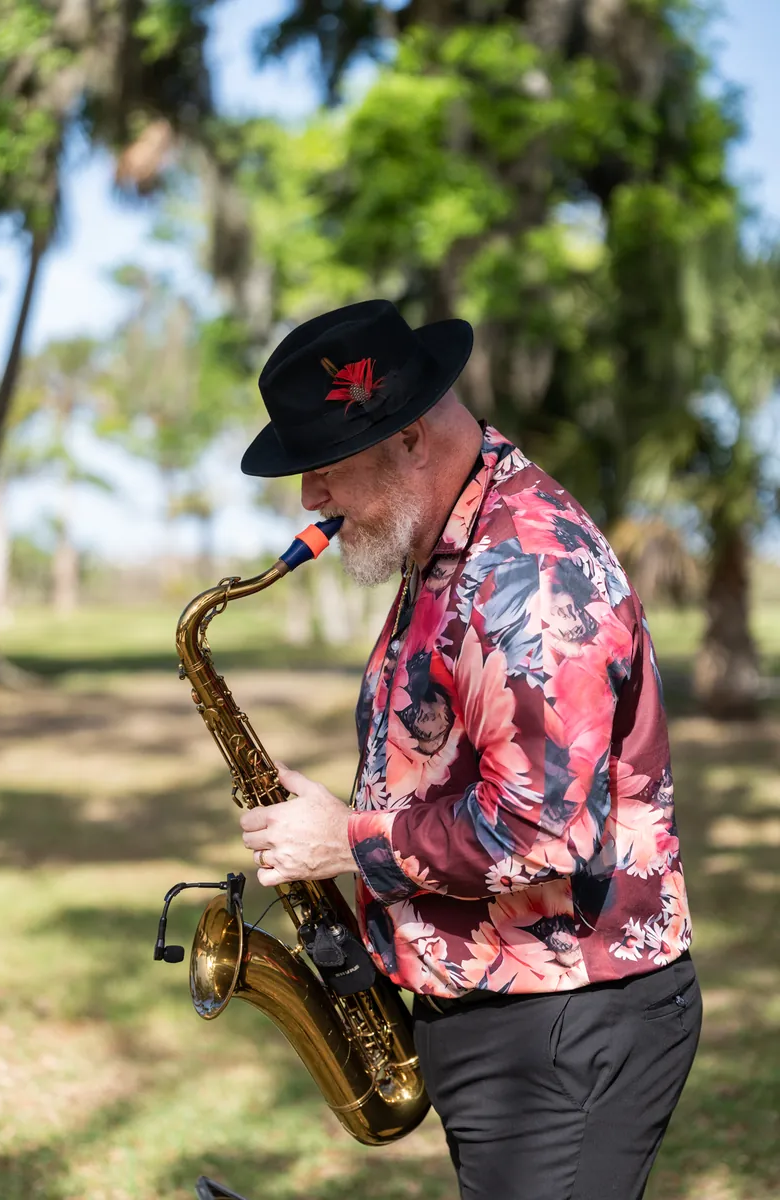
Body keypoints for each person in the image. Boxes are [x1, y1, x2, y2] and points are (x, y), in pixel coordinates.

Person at [237, 299, 701, 1200]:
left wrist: (349, 842)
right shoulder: (446, 541)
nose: (309, 499)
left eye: (323, 466)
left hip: (566, 1026)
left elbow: (540, 831)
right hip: (514, 1011)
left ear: (409, 438)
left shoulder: (527, 573)